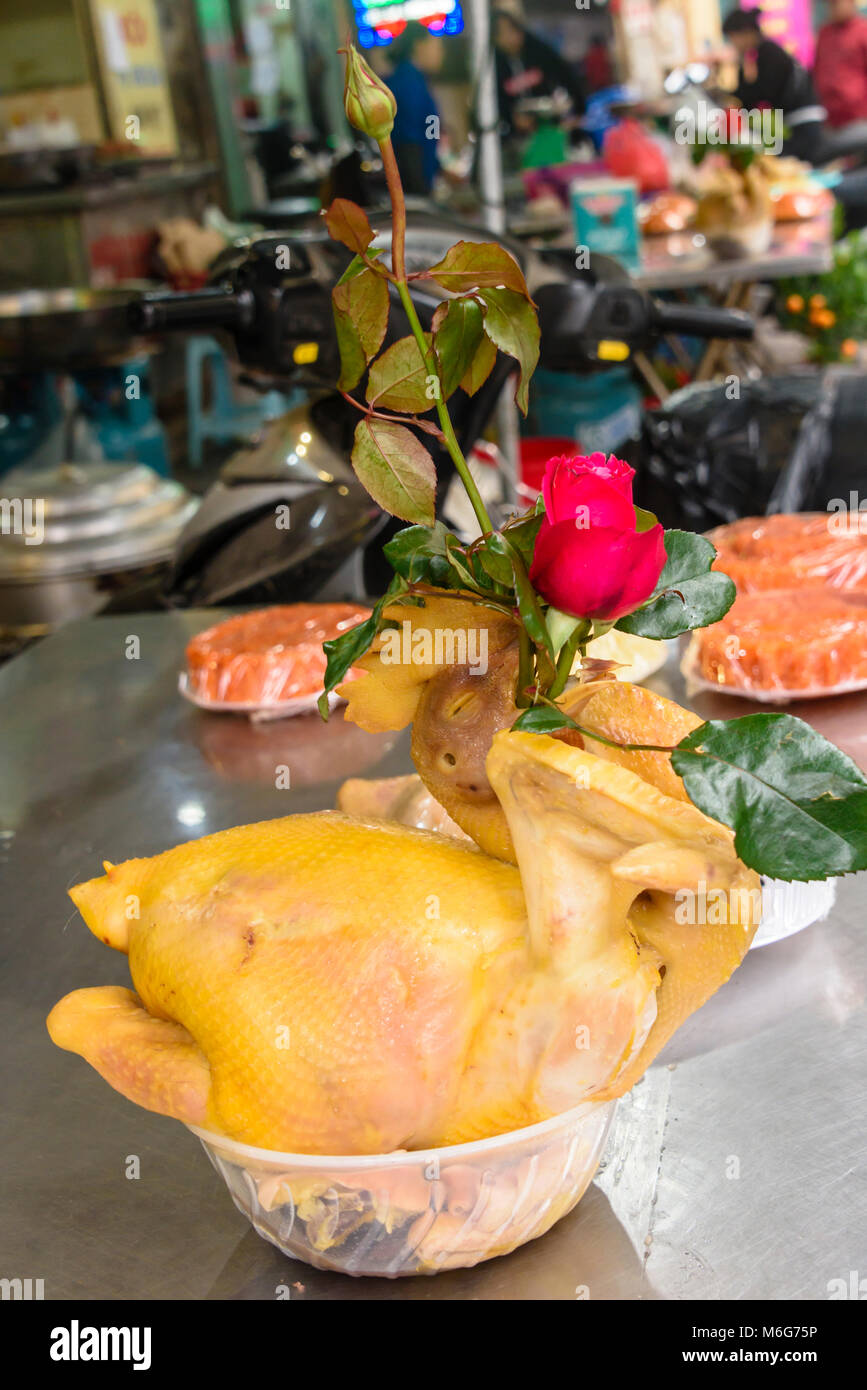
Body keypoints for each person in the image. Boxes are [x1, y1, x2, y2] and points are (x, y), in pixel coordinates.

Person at [722, 8, 823, 161]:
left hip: (803, 122)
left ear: (746, 33)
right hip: (795, 122)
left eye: (733, 38)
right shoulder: (758, 55)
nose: (733, 44)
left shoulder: (769, 53)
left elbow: (761, 94)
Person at [493, 10, 586, 137]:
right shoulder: (495, 66)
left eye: (512, 30)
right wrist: (511, 119)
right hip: (516, 136)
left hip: (550, 126)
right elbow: (497, 100)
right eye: (502, 34)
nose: (510, 37)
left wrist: (579, 111)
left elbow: (566, 75)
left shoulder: (539, 50)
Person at [385, 22, 445, 197]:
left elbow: (429, 128)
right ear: (420, 45)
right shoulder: (408, 83)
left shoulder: (417, 80)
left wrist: (437, 166)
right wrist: (421, 186)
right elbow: (410, 141)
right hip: (415, 182)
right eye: (437, 46)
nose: (441, 53)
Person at [814, 0, 867, 128]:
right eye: (831, 4)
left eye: (837, 3)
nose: (833, 8)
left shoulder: (862, 31)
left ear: (851, 3)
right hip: (830, 117)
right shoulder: (824, 33)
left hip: (859, 116)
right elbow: (818, 68)